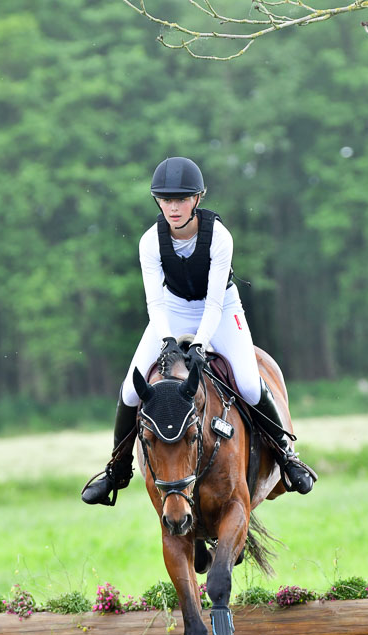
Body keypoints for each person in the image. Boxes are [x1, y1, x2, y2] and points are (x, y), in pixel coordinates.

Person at [82, 157, 314, 506]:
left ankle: (286, 456)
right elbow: (155, 304)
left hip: (221, 308)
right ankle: (117, 470)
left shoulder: (219, 237)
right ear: (157, 201)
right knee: (130, 391)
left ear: (198, 199)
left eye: (181, 199)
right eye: (165, 199)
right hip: (172, 311)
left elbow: (214, 305)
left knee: (250, 384)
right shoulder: (149, 242)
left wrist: (200, 344)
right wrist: (168, 342)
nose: (173, 207)